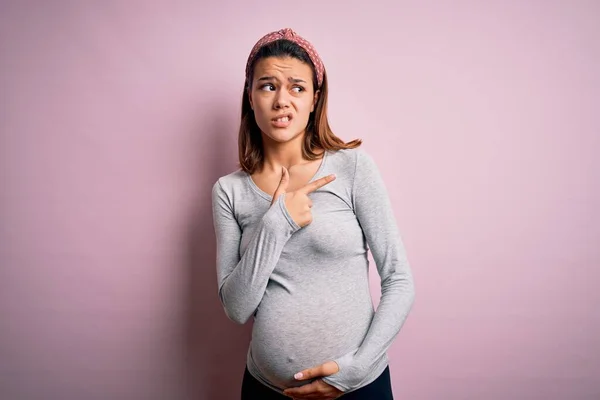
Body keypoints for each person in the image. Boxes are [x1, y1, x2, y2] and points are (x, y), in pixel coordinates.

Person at [211, 28, 415, 400]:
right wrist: (277, 222)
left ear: (314, 99)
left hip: (358, 386)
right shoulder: (230, 191)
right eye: (268, 86)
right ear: (250, 95)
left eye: (297, 88)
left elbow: (399, 280)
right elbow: (237, 309)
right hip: (267, 390)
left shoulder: (352, 168)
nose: (282, 101)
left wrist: (356, 370)